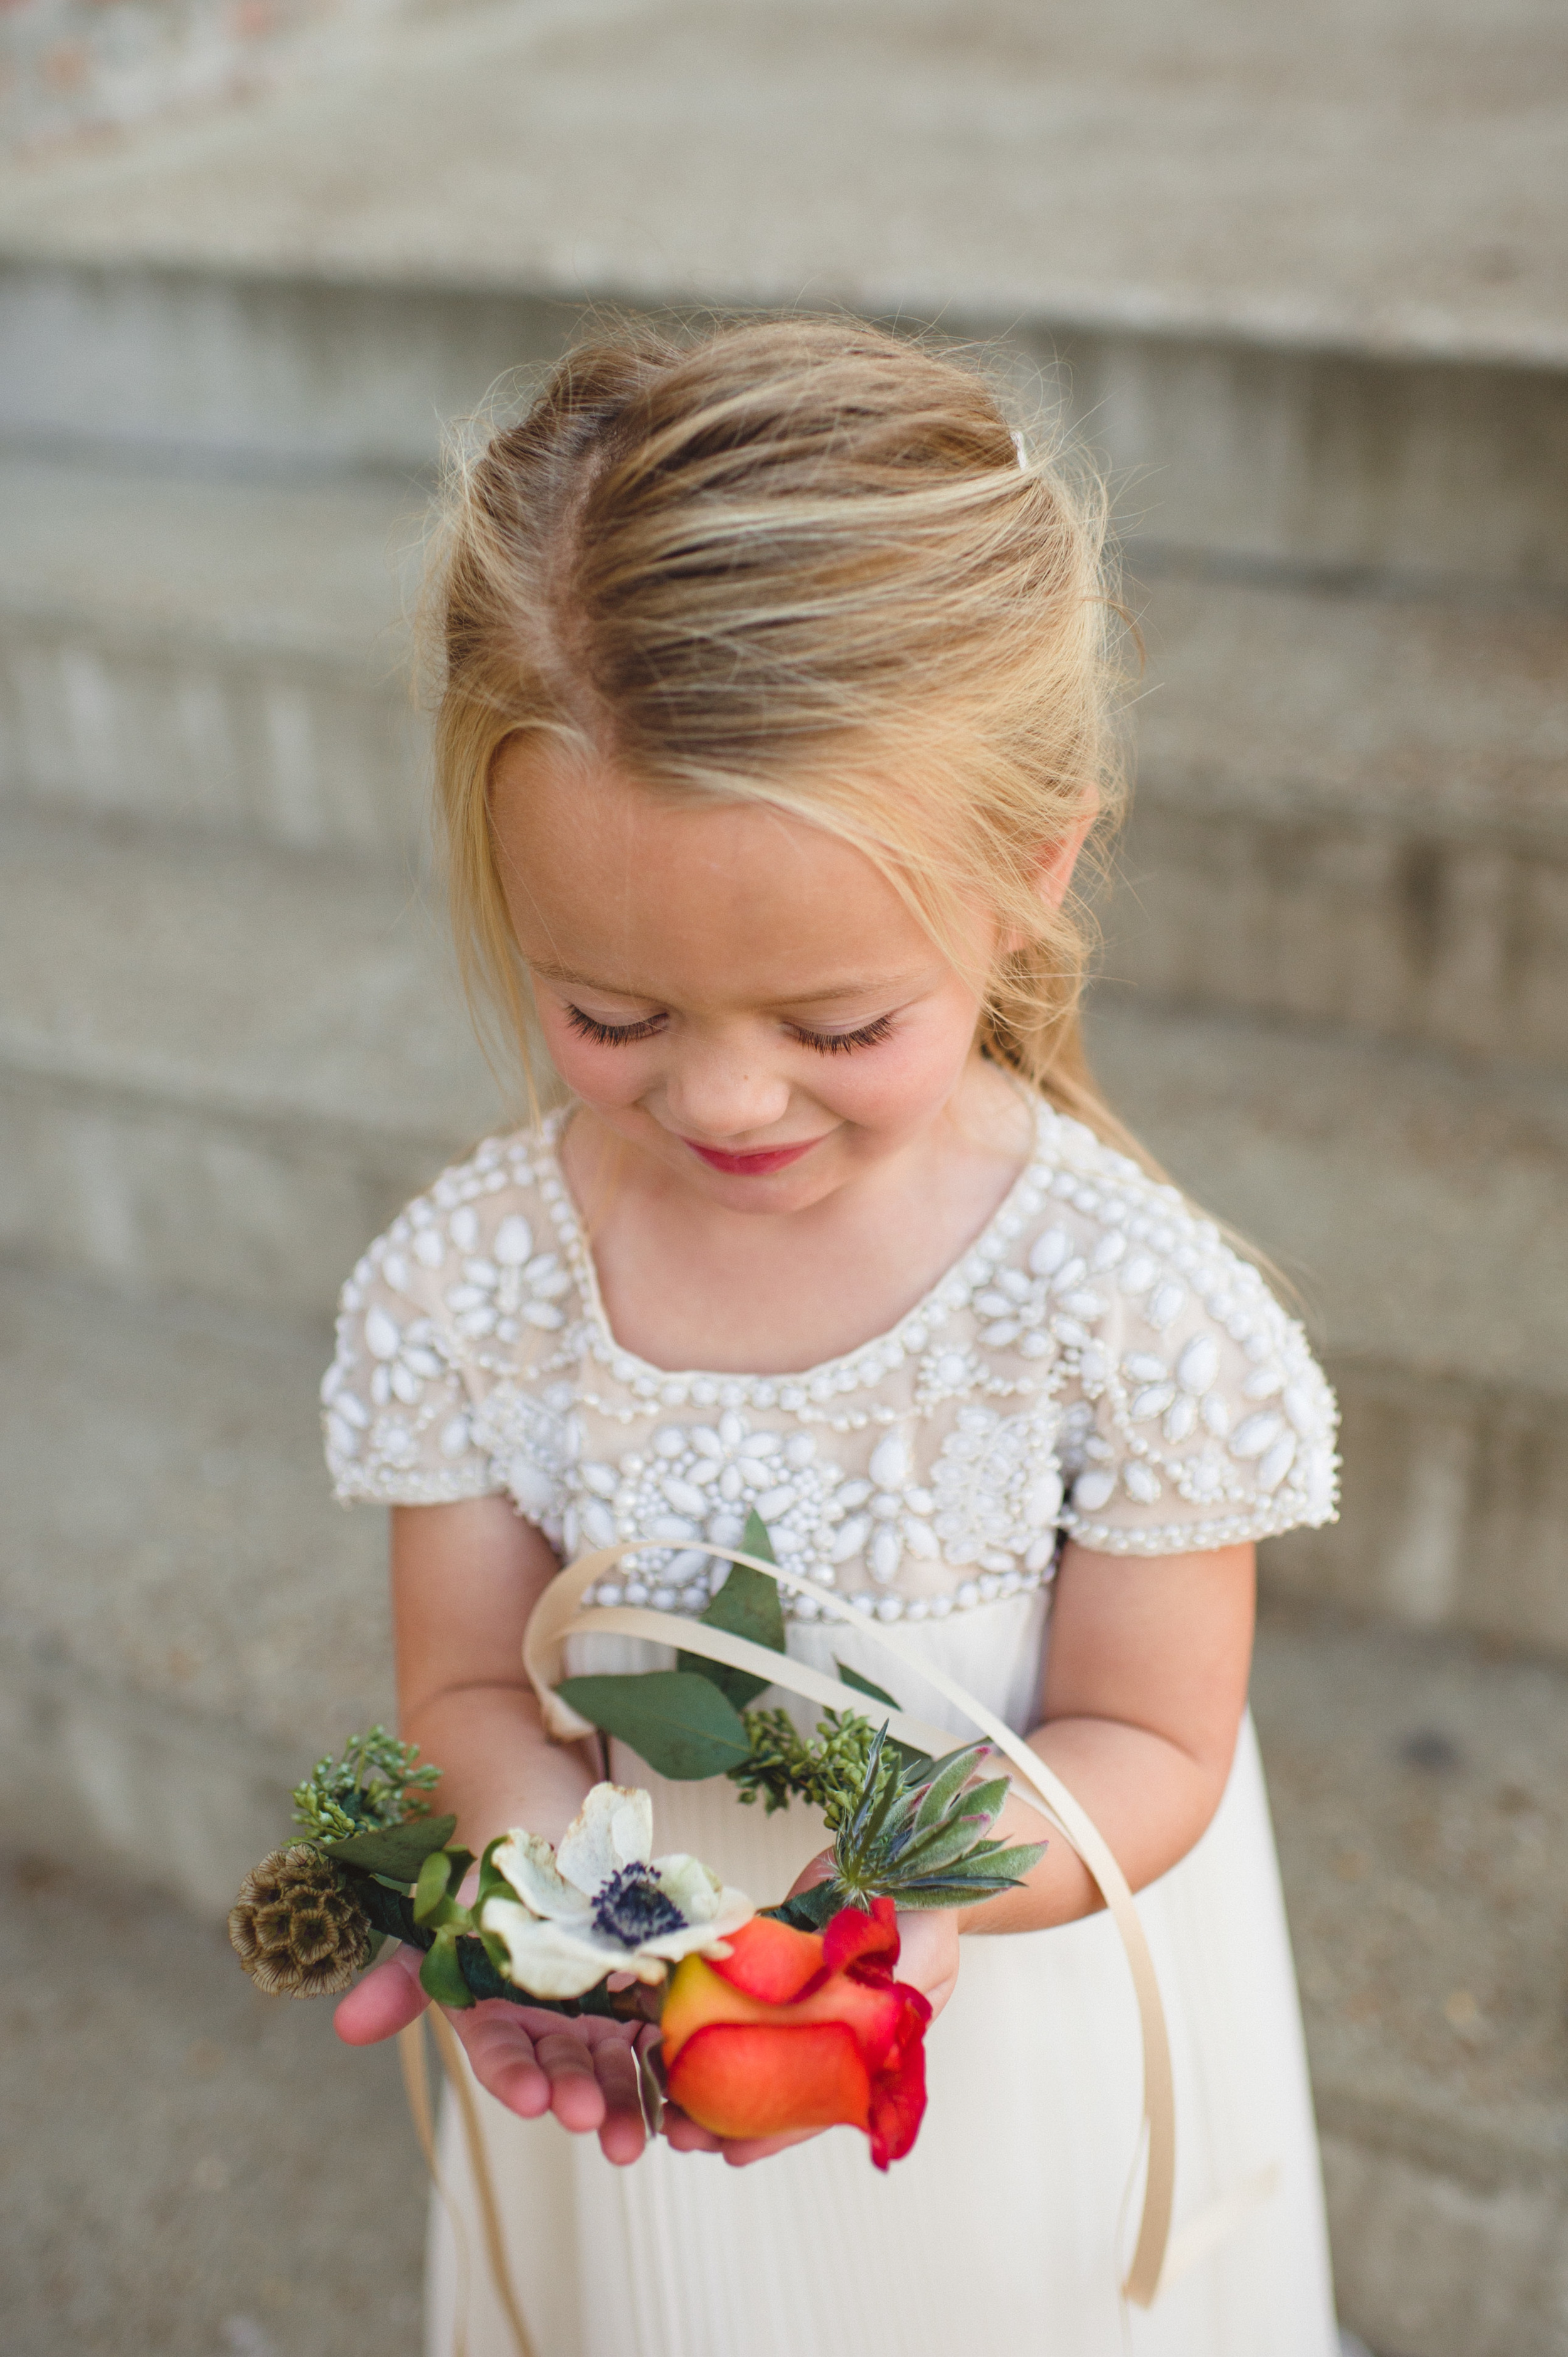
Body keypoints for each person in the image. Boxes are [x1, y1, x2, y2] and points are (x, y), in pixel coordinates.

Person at [327, 317, 1342, 2357]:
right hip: (647, 2058)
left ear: (1027, 878)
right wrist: (542, 1907)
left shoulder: (1119, 1311)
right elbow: (462, 1681)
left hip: (995, 2047)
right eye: (612, 1012)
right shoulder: (473, 1284)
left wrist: (899, 1931)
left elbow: (1149, 1743)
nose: (720, 1103)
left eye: (834, 1025)